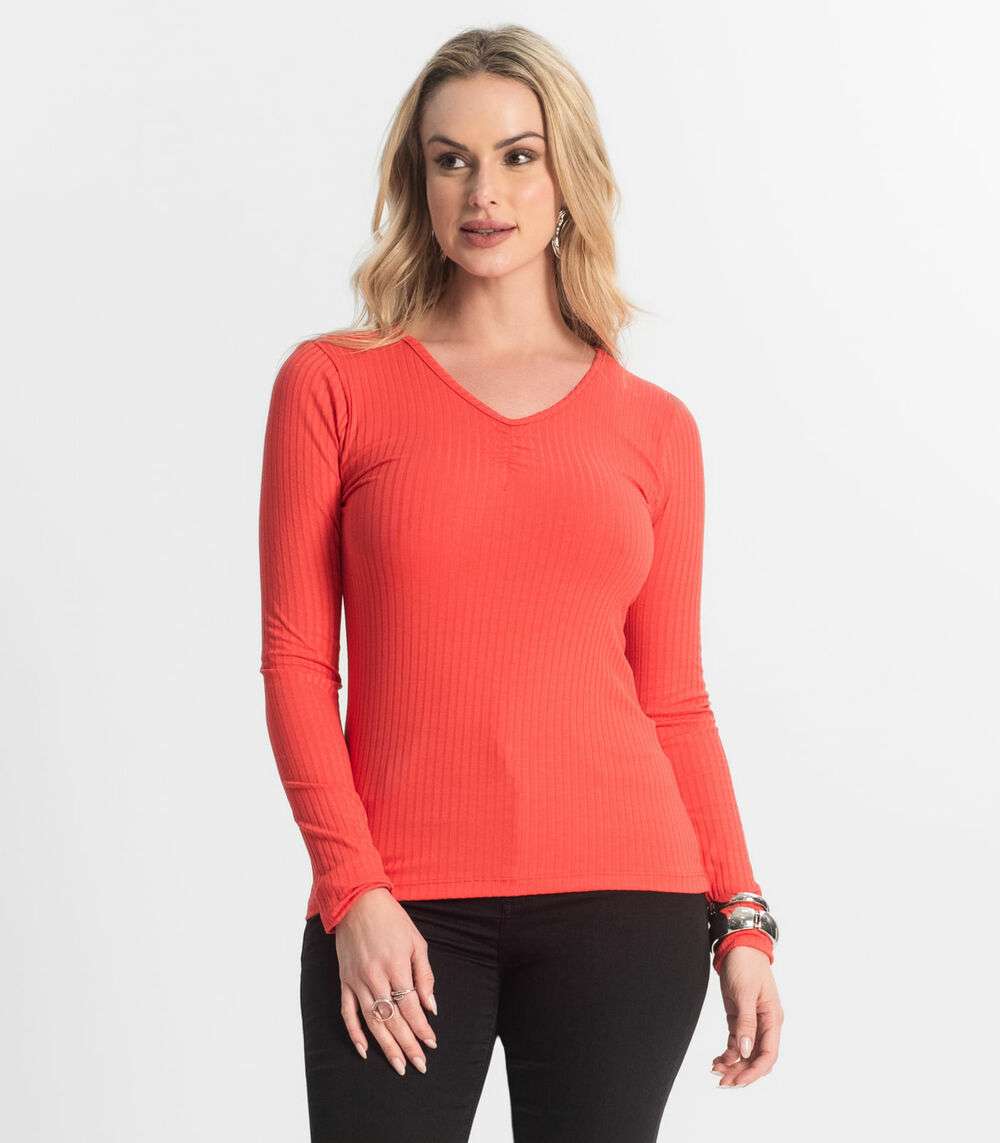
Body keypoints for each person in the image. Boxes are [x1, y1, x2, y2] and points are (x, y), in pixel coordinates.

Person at [258, 23, 783, 1143]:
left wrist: (741, 920)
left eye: (517, 155)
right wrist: (352, 891)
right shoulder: (332, 385)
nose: (482, 191)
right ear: (417, 183)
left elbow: (673, 697)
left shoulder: (655, 427)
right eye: (449, 159)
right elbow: (298, 662)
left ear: (567, 178)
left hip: (626, 905)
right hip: (398, 906)